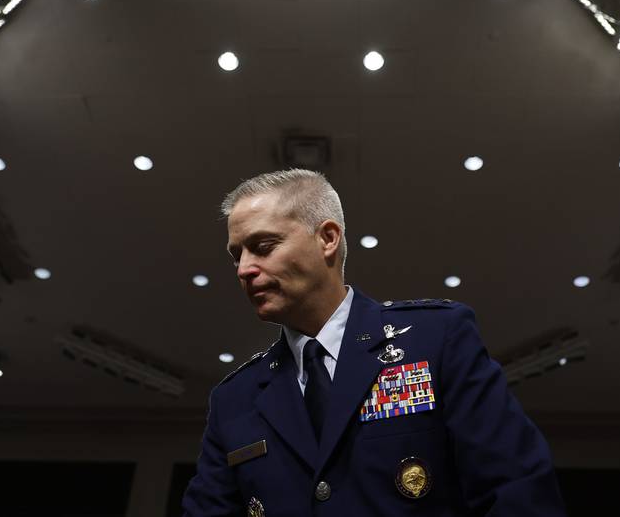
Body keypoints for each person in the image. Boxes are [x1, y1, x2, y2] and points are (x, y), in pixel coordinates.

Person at [182, 169, 566, 516]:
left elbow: (518, 492)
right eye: (237, 255)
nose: (245, 269)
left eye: (263, 246)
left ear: (328, 239)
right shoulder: (234, 399)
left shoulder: (436, 341)